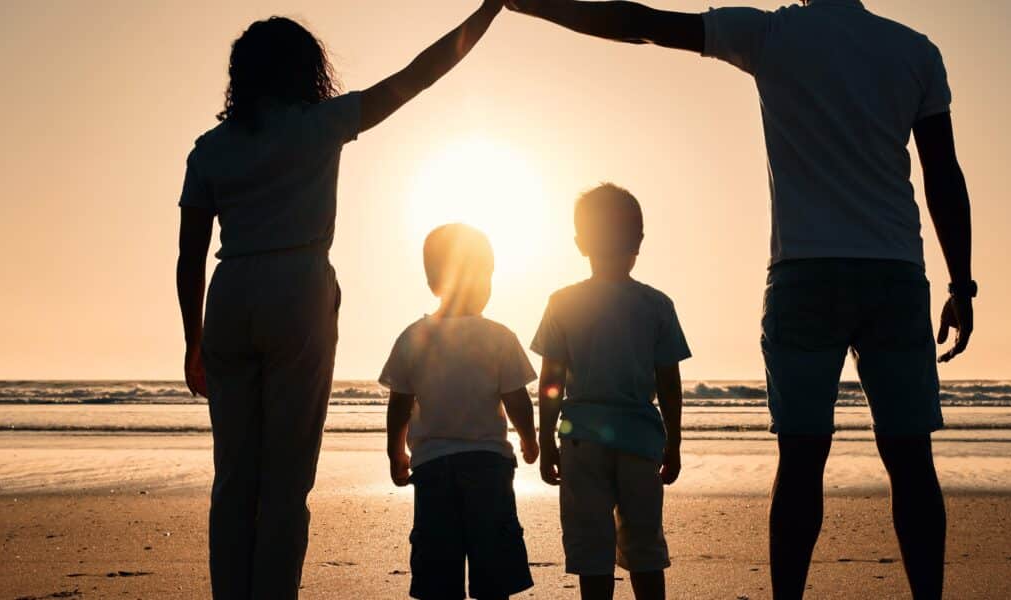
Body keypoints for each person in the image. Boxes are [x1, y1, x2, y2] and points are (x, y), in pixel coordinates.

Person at [504, 1, 975, 599]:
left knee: (801, 460)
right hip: (894, 273)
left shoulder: (773, 33)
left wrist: (535, 4)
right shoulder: (914, 50)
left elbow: (643, 23)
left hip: (806, 276)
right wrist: (961, 283)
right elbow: (944, 174)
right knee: (911, 461)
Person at [174, 3, 508, 598]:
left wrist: (192, 339)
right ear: (307, 70)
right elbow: (418, 75)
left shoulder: (210, 148)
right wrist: (488, 11)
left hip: (231, 291)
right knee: (286, 478)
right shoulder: (320, 124)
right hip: (298, 288)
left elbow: (189, 257)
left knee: (235, 477)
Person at [533, 184, 690, 600]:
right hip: (639, 437)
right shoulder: (656, 304)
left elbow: (550, 380)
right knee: (644, 546)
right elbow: (668, 383)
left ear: (581, 242)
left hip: (582, 438)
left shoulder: (563, 302)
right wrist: (674, 441)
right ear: (638, 240)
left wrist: (546, 439)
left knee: (592, 548)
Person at [380, 224, 539, 600]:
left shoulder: (414, 336)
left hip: (433, 467)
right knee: (494, 571)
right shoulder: (498, 336)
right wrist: (532, 440)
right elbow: (517, 398)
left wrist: (395, 451)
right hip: (488, 466)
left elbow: (400, 402)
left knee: (438, 571)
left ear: (433, 280)